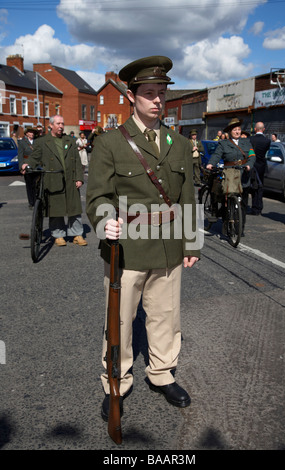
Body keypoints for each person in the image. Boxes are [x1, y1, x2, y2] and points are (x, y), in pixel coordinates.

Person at [86, 55, 200, 421]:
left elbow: (187, 196)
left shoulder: (179, 143)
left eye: (161, 93)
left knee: (166, 315)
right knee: (119, 319)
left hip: (168, 244)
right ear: (132, 97)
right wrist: (106, 222)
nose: (157, 100)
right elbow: (98, 196)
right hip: (127, 246)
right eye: (149, 93)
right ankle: (115, 380)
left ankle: (162, 373)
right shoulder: (110, 143)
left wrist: (191, 242)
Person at [21, 115, 87, 246]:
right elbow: (35, 157)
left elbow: (77, 162)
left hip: (70, 178)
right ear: (50, 125)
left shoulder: (70, 140)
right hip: (53, 178)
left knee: (74, 208)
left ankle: (77, 234)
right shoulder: (42, 141)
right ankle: (58, 234)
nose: (61, 126)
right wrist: (26, 165)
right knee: (56, 209)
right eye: (58, 124)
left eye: (62, 123)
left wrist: (79, 178)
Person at [206, 117, 256, 235]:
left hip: (243, 175)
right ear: (230, 132)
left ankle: (240, 228)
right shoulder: (224, 143)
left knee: (243, 204)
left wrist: (249, 165)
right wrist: (210, 164)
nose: (237, 132)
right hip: (229, 174)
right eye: (235, 130)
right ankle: (226, 224)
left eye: (239, 129)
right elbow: (217, 155)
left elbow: (252, 156)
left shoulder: (246, 142)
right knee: (226, 200)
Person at [249, 122, 271, 215]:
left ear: (255, 129)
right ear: (264, 129)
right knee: (260, 186)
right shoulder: (267, 141)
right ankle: (259, 207)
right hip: (261, 165)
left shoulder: (250, 139)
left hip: (252, 164)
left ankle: (254, 207)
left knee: (253, 186)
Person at [18, 127, 38, 209]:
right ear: (26, 134)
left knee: (36, 185)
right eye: (30, 132)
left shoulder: (37, 142)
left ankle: (37, 202)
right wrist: (21, 168)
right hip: (27, 166)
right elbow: (20, 156)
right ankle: (31, 202)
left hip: (36, 166)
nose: (32, 134)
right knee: (29, 186)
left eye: (33, 132)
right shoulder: (22, 143)